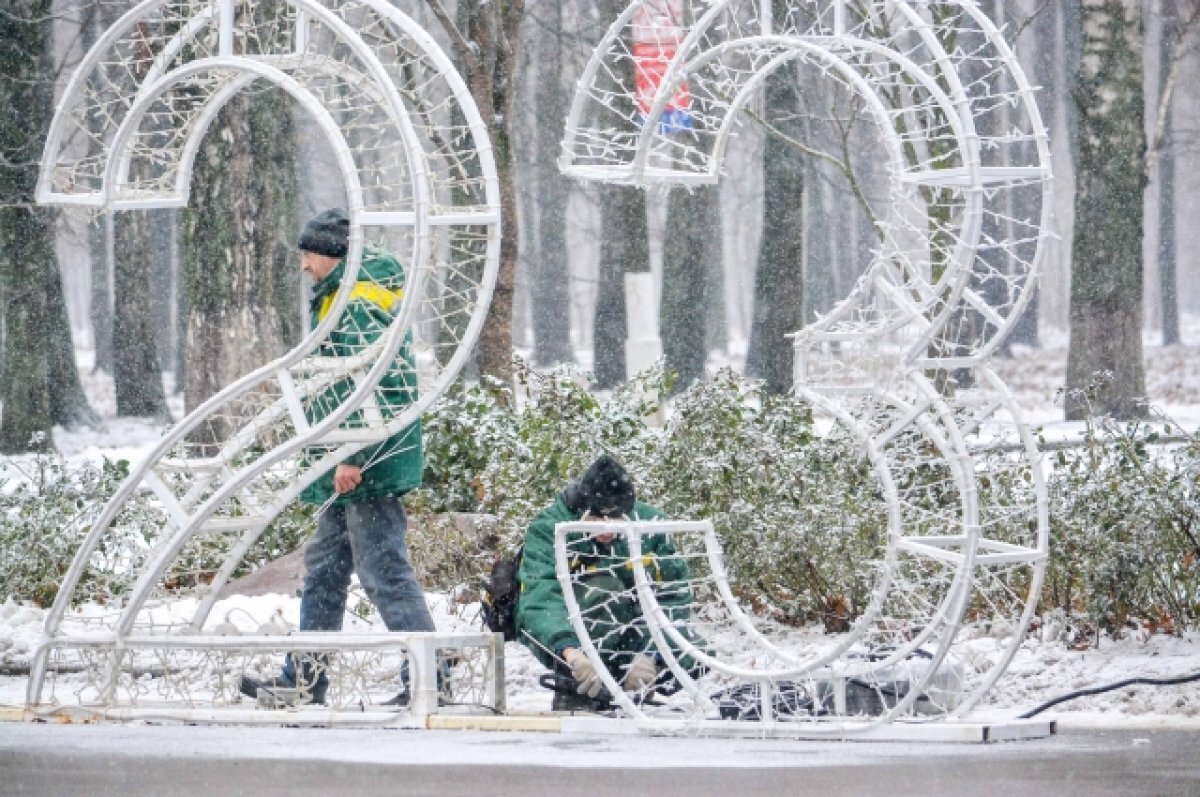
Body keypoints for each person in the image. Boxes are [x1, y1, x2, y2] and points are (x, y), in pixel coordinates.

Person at [240, 208, 432, 707]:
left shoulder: (354, 298)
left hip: (363, 461)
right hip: (348, 460)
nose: (304, 265)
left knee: (383, 571)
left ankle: (432, 679)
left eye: (308, 253)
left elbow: (366, 378)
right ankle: (304, 679)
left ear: (330, 253)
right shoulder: (348, 290)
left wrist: (353, 453)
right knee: (325, 569)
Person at [514, 454, 700, 711]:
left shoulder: (650, 526)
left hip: (632, 628)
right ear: (582, 510)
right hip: (571, 629)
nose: (607, 531)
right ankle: (582, 689)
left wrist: (651, 653)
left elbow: (674, 595)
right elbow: (540, 597)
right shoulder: (550, 528)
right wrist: (572, 653)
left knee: (694, 651)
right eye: (598, 521)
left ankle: (635, 688)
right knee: (603, 590)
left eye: (617, 521)